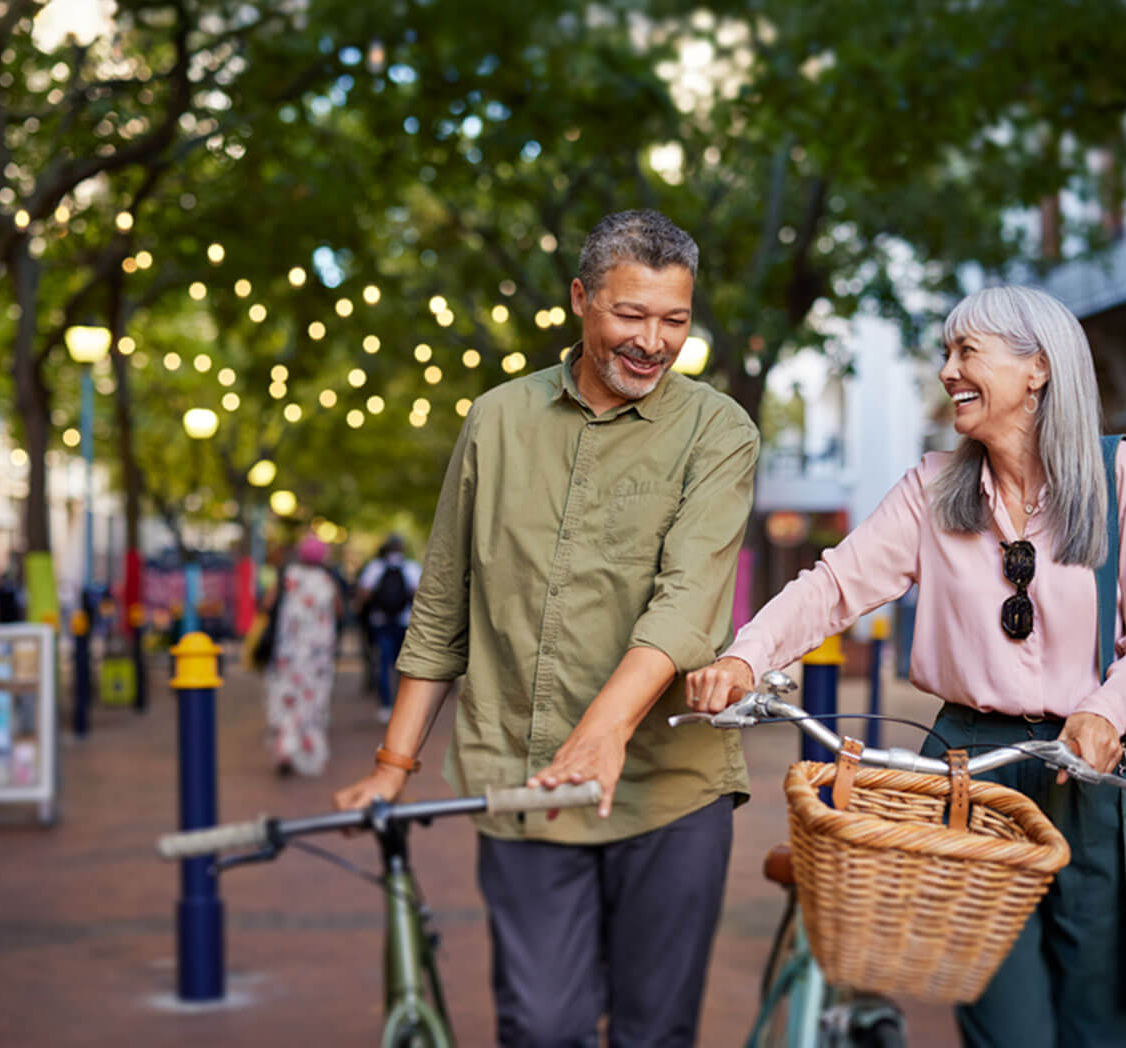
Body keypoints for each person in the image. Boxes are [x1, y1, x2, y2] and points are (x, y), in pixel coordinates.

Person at [687, 284, 1126, 1048]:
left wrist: (1107, 713)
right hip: (966, 772)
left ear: (1037, 368)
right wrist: (745, 657)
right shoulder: (932, 488)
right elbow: (833, 586)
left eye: (966, 352)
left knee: (1100, 1019)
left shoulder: (1122, 478)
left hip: (1092, 768)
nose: (948, 370)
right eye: (945, 354)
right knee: (1005, 1026)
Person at [335, 209, 759, 1047]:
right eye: (630, 316)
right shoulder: (496, 421)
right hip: (527, 780)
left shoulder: (718, 431)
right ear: (580, 299)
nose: (654, 342)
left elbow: (686, 603)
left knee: (653, 1033)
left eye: (674, 320)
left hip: (672, 785)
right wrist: (393, 766)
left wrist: (603, 734)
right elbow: (442, 611)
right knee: (541, 1026)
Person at [262, 535, 344, 777]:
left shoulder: (287, 576)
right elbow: (339, 612)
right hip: (317, 656)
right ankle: (308, 751)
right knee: (312, 701)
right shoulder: (326, 581)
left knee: (287, 698)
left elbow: (267, 605)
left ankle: (285, 746)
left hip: (288, 652)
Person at [352, 534, 421, 718]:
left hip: (380, 621)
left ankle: (386, 704)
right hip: (405, 622)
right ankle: (404, 704)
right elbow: (419, 593)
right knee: (405, 665)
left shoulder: (375, 567)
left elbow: (363, 593)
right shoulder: (411, 567)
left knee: (383, 663)